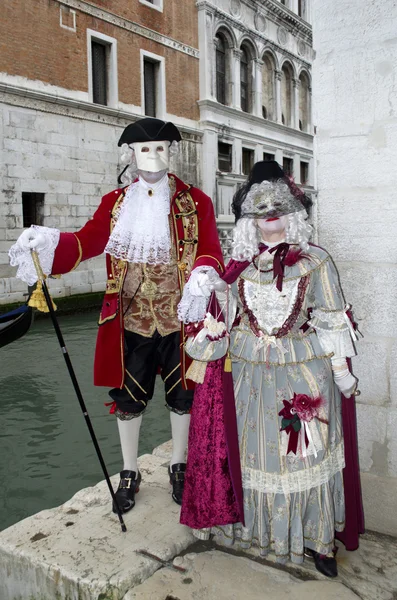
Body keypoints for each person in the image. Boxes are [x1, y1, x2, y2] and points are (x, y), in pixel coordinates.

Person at [9, 117, 224, 513]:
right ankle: (129, 470)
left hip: (181, 320)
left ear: (170, 151)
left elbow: (210, 247)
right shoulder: (115, 203)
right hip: (129, 322)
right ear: (132, 154)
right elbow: (87, 241)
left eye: (160, 148)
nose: (153, 156)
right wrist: (48, 241)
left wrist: (202, 274)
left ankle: (179, 463)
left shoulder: (196, 202)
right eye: (145, 149)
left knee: (183, 395)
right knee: (128, 400)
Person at [180, 161, 364, 578]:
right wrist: (208, 312)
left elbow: (333, 318)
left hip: (301, 371)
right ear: (249, 219)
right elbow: (224, 316)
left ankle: (317, 540)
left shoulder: (316, 261)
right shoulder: (239, 266)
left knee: (301, 452)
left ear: (294, 212)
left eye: (278, 207)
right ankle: (256, 533)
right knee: (253, 452)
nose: (270, 216)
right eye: (261, 210)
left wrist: (340, 371)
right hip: (248, 373)